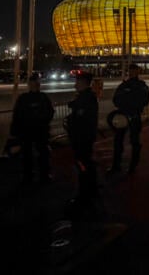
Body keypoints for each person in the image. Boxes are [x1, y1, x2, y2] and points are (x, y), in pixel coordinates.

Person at [10, 73, 55, 185]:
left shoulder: (26, 98)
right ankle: (37, 175)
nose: (34, 85)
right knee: (34, 154)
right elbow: (17, 115)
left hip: (33, 131)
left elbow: (17, 115)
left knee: (33, 155)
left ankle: (32, 176)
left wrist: (15, 131)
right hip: (36, 131)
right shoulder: (40, 98)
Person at [64, 72, 99, 214]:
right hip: (82, 138)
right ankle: (89, 190)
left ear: (84, 82)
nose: (75, 84)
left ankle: (85, 194)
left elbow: (82, 119)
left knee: (83, 164)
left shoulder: (87, 99)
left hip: (82, 139)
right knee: (85, 164)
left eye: (77, 82)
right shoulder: (85, 98)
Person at [108, 63, 149, 174]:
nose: (131, 73)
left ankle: (132, 166)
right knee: (118, 142)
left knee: (134, 142)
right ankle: (116, 166)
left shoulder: (141, 85)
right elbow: (116, 99)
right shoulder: (124, 85)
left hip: (134, 116)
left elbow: (145, 100)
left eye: (134, 71)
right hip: (123, 115)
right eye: (130, 71)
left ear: (137, 72)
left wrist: (129, 101)